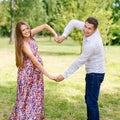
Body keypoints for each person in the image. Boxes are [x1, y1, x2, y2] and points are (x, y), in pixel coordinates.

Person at [55, 17, 105, 120]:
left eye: (89, 28)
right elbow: (72, 22)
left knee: (91, 102)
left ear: (95, 30)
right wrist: (64, 36)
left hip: (95, 74)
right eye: (85, 26)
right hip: (93, 72)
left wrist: (64, 75)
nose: (85, 30)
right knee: (89, 99)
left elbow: (78, 62)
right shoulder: (87, 28)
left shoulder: (92, 44)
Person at [8, 21, 57, 120]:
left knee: (36, 98)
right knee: (26, 100)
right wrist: (50, 76)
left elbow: (44, 25)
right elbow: (36, 63)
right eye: (23, 30)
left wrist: (55, 35)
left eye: (27, 28)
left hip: (36, 75)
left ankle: (34, 117)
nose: (26, 31)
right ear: (19, 33)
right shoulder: (23, 44)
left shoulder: (30, 33)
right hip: (27, 75)